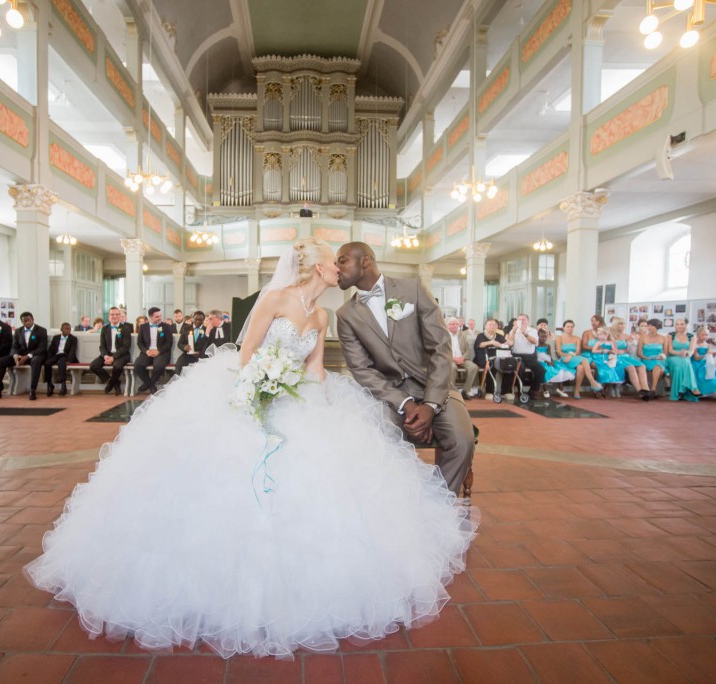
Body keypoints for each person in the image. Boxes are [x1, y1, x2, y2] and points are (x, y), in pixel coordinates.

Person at [25, 238, 476, 658]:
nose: (339, 268)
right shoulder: (276, 300)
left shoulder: (322, 316)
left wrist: (318, 407)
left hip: (301, 394)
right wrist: (263, 384)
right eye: (334, 261)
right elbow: (246, 354)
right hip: (252, 388)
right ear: (319, 266)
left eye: (344, 261)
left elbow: (317, 371)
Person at [335, 241, 474, 496]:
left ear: (365, 260)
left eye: (342, 260)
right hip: (391, 396)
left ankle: (438, 505)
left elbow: (440, 348)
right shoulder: (346, 314)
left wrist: (430, 406)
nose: (336, 268)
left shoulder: (413, 289)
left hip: (436, 386)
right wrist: (407, 404)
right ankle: (398, 505)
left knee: (462, 442)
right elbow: (362, 369)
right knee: (381, 440)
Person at [0, 312, 47, 401]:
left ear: (33, 319)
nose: (27, 322)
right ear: (21, 322)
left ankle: (33, 389)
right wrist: (15, 356)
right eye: (24, 321)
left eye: (28, 320)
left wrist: (27, 356)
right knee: (0, 361)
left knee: (36, 361)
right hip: (20, 356)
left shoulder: (41, 330)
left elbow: (42, 348)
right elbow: (14, 346)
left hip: (36, 355)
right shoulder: (18, 331)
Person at [555, 320, 603, 399]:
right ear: (563, 328)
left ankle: (576, 391)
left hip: (574, 357)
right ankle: (592, 382)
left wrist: (571, 355)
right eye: (568, 327)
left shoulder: (577, 338)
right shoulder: (559, 338)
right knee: (584, 359)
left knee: (581, 367)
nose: (570, 328)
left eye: (571, 327)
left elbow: (577, 352)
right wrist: (568, 356)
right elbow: (559, 352)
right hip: (564, 358)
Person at [90, 307, 132, 395]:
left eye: (117, 314)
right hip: (107, 354)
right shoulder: (105, 329)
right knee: (93, 365)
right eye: (112, 314)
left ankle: (111, 383)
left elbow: (125, 347)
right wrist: (105, 356)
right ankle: (115, 382)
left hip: (122, 355)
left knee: (117, 366)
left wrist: (114, 357)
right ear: (109, 316)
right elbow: (102, 346)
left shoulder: (126, 329)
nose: (114, 316)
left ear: (120, 316)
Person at [609, 317, 651, 400]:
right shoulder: (610, 335)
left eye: (623, 324)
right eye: (620, 324)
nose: (622, 326)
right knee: (631, 368)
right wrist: (621, 351)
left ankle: (646, 389)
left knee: (642, 366)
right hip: (615, 358)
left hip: (626, 356)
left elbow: (629, 349)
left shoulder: (627, 336)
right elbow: (613, 350)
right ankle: (639, 391)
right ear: (615, 325)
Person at [505, 314, 547, 398]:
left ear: (528, 321)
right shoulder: (513, 330)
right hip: (517, 356)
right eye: (519, 319)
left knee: (541, 370)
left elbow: (535, 342)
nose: (521, 321)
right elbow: (510, 342)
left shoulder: (532, 330)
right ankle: (521, 391)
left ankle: (533, 390)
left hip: (530, 357)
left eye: (523, 319)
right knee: (521, 369)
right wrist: (513, 332)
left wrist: (525, 333)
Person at [134, 307, 174, 394]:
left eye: (160, 316)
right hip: (147, 352)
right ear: (150, 317)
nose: (160, 318)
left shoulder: (166, 326)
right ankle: (151, 385)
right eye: (157, 317)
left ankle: (147, 385)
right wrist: (146, 351)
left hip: (162, 352)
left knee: (159, 366)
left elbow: (169, 343)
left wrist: (158, 351)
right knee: (138, 365)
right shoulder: (143, 327)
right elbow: (140, 343)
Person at [666, 318, 701, 402]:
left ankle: (679, 392)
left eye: (682, 324)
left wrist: (686, 354)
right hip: (672, 357)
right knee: (683, 362)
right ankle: (693, 388)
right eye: (677, 324)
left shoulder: (692, 336)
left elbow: (691, 351)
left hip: (685, 357)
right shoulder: (670, 335)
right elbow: (669, 350)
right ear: (675, 326)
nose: (679, 326)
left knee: (683, 363)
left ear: (686, 325)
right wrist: (679, 353)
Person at [473, 318, 509, 399]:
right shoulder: (481, 335)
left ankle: (506, 391)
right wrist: (491, 342)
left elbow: (505, 344)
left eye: (494, 325)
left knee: (508, 365)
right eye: (490, 324)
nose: (492, 326)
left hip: (497, 358)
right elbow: (480, 345)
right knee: (491, 365)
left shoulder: (499, 336)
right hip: (483, 358)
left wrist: (507, 342)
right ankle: (490, 391)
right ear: (485, 326)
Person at [447, 317, 480, 398]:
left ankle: (466, 390)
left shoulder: (462, 335)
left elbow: (468, 349)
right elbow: (442, 351)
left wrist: (462, 358)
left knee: (474, 367)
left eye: (456, 324)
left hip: (462, 359)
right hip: (450, 359)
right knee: (452, 367)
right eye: (452, 324)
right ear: (447, 326)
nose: (454, 326)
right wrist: (453, 358)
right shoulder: (444, 335)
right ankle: (451, 391)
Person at [44, 323, 79, 396]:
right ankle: (49, 384)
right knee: (47, 363)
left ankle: (63, 385)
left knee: (61, 363)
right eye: (66, 328)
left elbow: (73, 351)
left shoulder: (73, 339)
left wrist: (69, 360)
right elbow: (51, 349)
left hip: (65, 356)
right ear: (61, 329)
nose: (68, 330)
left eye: (69, 329)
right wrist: (49, 358)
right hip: (57, 355)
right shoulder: (56, 337)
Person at [638, 318, 669, 398]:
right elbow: (639, 353)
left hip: (658, 359)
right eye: (648, 326)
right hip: (646, 359)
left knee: (658, 366)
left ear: (657, 327)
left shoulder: (663, 338)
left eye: (652, 326)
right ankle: (653, 390)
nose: (649, 327)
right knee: (657, 367)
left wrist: (661, 357)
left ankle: (653, 389)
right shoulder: (642, 337)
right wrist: (646, 358)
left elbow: (665, 353)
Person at [588, 327, 624, 395]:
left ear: (607, 335)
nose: (600, 336)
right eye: (599, 335)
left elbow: (614, 350)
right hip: (600, 357)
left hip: (608, 357)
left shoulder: (610, 342)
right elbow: (593, 350)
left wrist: (612, 351)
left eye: (601, 334)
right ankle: (601, 385)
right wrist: (602, 351)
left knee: (615, 366)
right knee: (603, 368)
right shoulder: (598, 342)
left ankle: (610, 385)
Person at [173, 310, 207, 375]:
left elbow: (207, 344)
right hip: (188, 354)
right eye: (196, 319)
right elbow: (180, 343)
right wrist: (185, 347)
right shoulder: (186, 328)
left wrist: (200, 353)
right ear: (193, 318)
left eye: (200, 320)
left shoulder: (206, 330)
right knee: (179, 365)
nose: (197, 321)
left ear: (203, 320)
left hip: (201, 355)